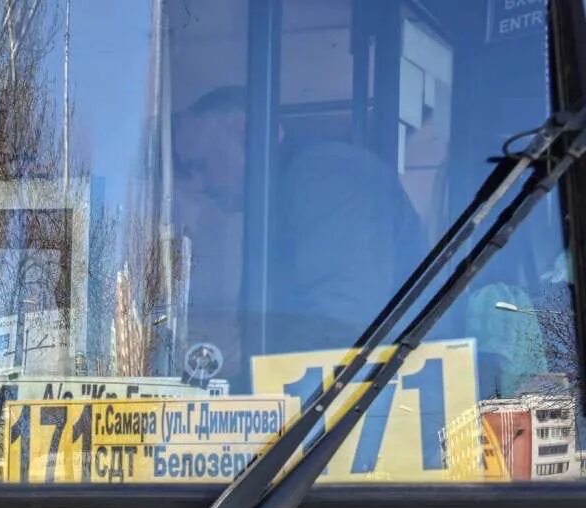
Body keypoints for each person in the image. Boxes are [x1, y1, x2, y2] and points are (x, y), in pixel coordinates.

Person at [174, 86, 427, 384]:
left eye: (200, 166)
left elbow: (341, 321)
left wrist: (251, 396)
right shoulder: (288, 188)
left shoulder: (325, 173)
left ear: (246, 133)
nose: (200, 184)